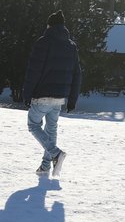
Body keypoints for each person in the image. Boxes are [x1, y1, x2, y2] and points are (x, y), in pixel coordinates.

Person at [22, 10, 82, 177]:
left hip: (42, 95)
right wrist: (72, 100)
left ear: (50, 25)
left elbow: (33, 70)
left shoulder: (43, 42)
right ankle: (45, 166)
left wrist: (27, 94)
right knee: (51, 130)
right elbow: (77, 73)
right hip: (60, 97)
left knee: (33, 125)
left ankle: (55, 154)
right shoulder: (71, 46)